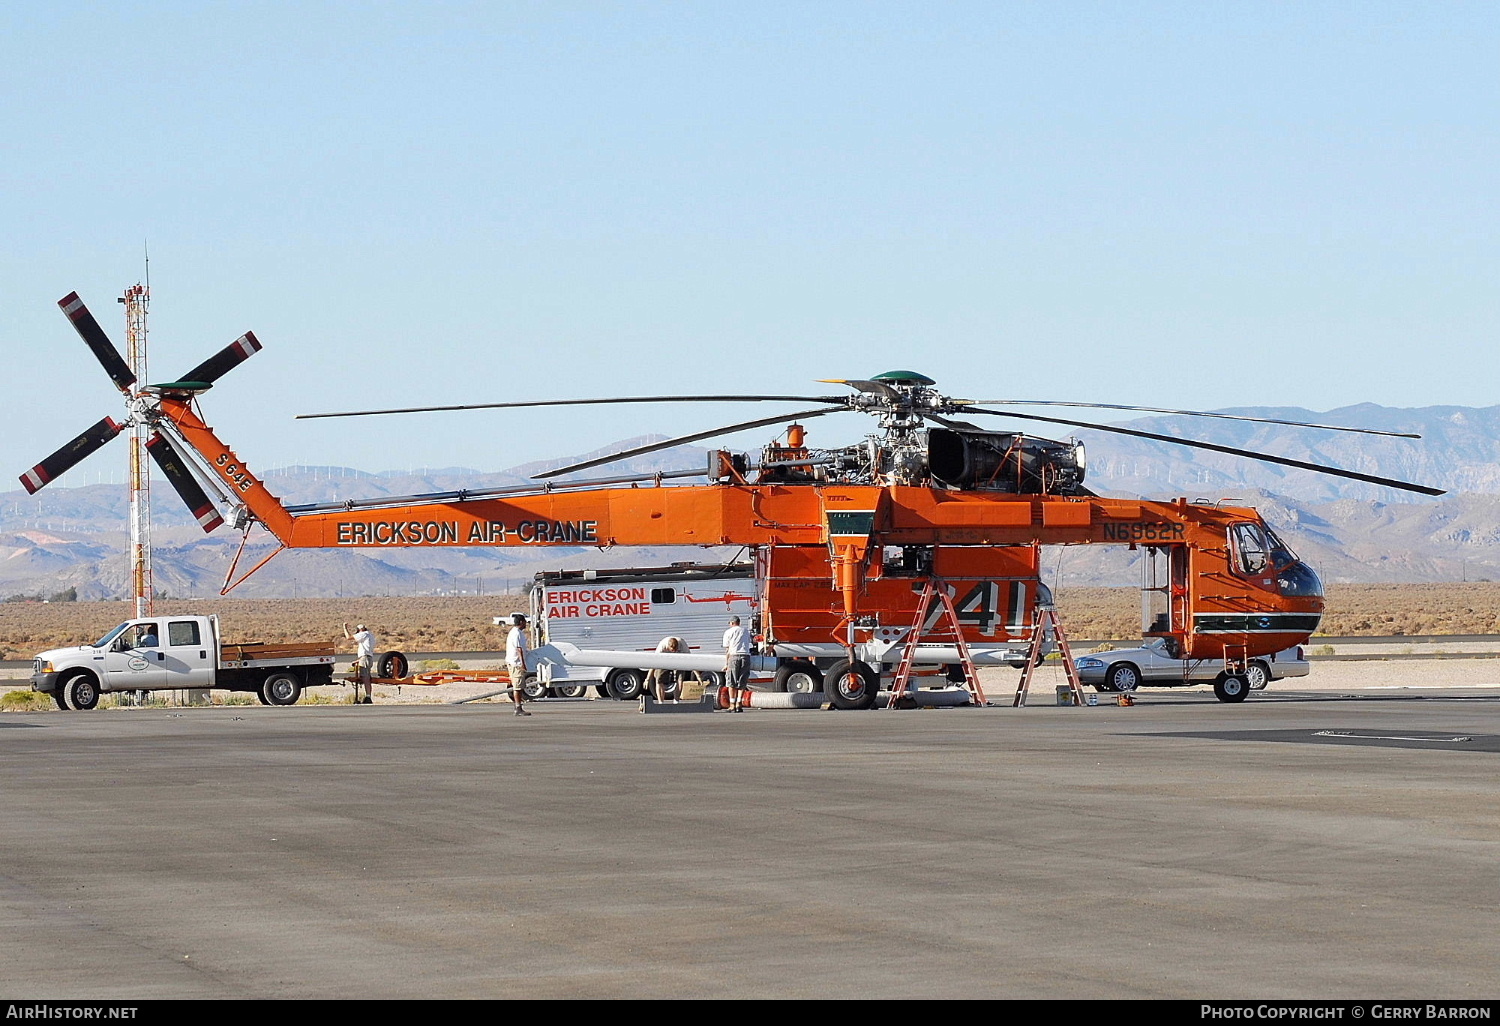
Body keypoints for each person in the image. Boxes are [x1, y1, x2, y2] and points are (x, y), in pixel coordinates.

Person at [722, 615, 752, 712]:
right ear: (739, 622)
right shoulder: (745, 631)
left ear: (732, 623)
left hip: (734, 656)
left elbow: (727, 649)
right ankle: (739, 704)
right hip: (746, 656)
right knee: (742, 682)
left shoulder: (728, 632)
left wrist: (726, 663)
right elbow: (749, 642)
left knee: (731, 682)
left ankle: (732, 705)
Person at [343, 622, 375, 704]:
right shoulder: (370, 635)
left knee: (366, 678)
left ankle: (368, 697)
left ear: (360, 630)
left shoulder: (363, 634)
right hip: (368, 658)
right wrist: (358, 661)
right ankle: (367, 696)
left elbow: (348, 637)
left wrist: (345, 628)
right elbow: (367, 651)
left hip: (365, 658)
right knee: (366, 677)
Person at [506, 613, 531, 716]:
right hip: (516, 663)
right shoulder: (516, 633)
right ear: (521, 622)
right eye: (525, 622)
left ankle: (519, 706)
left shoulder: (517, 632)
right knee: (518, 686)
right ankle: (518, 708)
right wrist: (523, 663)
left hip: (515, 662)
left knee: (519, 686)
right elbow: (519, 649)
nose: (526, 624)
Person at [647, 636, 686, 702]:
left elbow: (691, 660)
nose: (674, 652)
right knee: (659, 679)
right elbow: (653, 663)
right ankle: (660, 702)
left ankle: (676, 701)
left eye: (675, 650)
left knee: (680, 679)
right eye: (672, 650)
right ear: (668, 647)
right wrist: (647, 679)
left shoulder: (682, 644)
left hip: (678, 659)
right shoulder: (662, 646)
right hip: (664, 659)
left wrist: (698, 676)